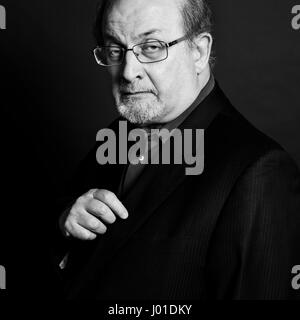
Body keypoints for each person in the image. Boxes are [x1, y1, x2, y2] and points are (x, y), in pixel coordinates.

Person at [55, 0, 300, 299]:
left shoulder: (260, 172)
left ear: (199, 52)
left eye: (152, 47)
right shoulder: (118, 134)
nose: (129, 72)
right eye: (116, 50)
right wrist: (64, 223)